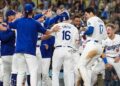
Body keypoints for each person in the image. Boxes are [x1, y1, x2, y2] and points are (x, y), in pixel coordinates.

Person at [0, 4, 59, 86]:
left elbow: (7, 26)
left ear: (24, 12)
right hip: (30, 51)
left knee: (20, 72)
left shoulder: (18, 21)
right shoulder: (35, 23)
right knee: (33, 71)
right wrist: (53, 30)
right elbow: (46, 32)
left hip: (18, 50)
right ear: (32, 12)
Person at [77, 7, 107, 86]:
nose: (86, 16)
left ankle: (87, 84)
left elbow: (90, 31)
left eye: (86, 14)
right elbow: (105, 37)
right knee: (88, 67)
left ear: (91, 13)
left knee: (81, 65)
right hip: (99, 47)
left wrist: (84, 32)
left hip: (92, 45)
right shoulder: (101, 21)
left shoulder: (91, 19)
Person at [51, 11, 79, 86]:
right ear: (68, 18)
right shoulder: (74, 28)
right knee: (69, 72)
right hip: (69, 50)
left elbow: (50, 34)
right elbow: (76, 42)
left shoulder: (57, 25)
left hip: (59, 49)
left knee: (55, 72)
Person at [0, 10, 16, 86]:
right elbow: (3, 38)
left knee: (10, 73)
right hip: (7, 53)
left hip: (12, 52)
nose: (15, 16)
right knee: (10, 73)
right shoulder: (4, 25)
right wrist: (11, 31)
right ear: (9, 16)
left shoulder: (13, 24)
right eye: (13, 15)